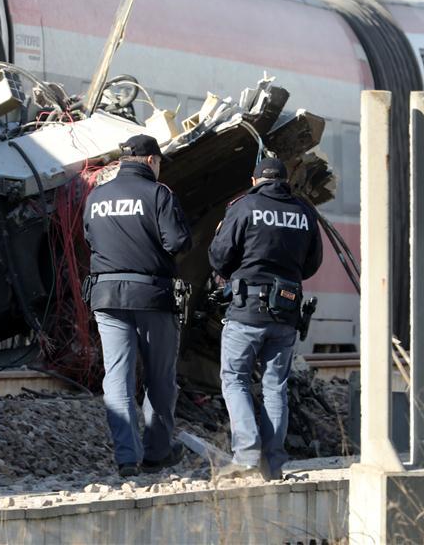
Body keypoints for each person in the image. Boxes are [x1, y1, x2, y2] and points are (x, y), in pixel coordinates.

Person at [83, 134, 192, 477]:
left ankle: (127, 458)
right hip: (152, 297)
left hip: (106, 296)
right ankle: (157, 452)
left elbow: (89, 238)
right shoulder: (158, 194)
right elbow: (177, 242)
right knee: (160, 379)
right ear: (150, 161)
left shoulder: (97, 197)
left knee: (117, 378)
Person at [208, 157, 323, 480]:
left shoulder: (245, 207)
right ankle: (273, 465)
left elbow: (219, 256)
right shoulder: (304, 212)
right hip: (287, 311)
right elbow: (312, 263)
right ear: (285, 180)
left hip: (246, 309)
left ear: (255, 179)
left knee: (235, 379)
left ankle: (245, 457)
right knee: (275, 388)